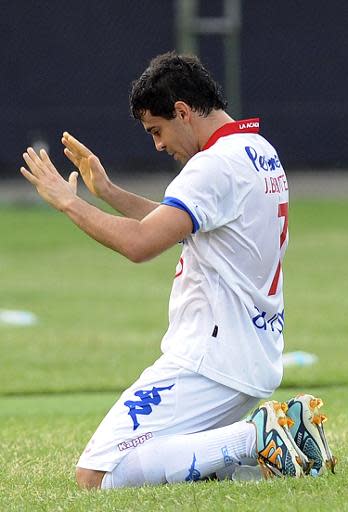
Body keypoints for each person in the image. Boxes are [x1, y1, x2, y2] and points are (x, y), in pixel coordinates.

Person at [20, 51, 335, 489]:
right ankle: (275, 455)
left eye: (157, 130)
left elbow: (140, 244)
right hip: (252, 356)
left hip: (208, 360)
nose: (158, 145)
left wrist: (69, 202)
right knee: (176, 459)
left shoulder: (211, 166)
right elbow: (182, 223)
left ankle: (255, 437)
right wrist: (107, 191)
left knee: (96, 475)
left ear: (183, 112)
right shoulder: (257, 150)